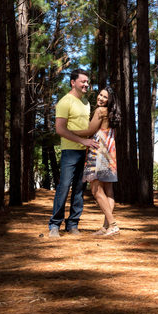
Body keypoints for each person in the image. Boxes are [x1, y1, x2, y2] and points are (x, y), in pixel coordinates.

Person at [48, 69, 98, 238]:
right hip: (70, 151)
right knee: (63, 187)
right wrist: (82, 141)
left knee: (78, 189)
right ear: (73, 82)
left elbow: (88, 128)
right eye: (83, 81)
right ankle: (54, 225)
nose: (86, 84)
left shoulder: (86, 102)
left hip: (85, 151)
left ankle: (73, 224)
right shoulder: (65, 102)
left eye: (87, 82)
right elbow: (60, 129)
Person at [82, 86, 121, 236]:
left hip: (99, 154)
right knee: (108, 190)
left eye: (105, 97)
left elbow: (89, 131)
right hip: (110, 154)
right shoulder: (113, 114)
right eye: (100, 95)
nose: (101, 98)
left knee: (96, 190)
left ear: (110, 100)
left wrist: (67, 131)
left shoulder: (100, 111)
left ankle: (113, 224)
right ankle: (106, 227)